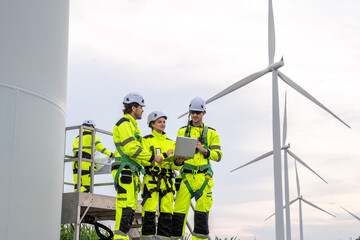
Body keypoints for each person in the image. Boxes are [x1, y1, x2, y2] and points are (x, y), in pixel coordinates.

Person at [111, 93, 163, 240]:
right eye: (141, 107)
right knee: (125, 206)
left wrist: (160, 158)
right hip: (125, 169)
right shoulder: (125, 124)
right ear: (133, 108)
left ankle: (122, 237)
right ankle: (120, 238)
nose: (142, 111)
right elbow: (131, 149)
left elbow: (137, 154)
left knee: (130, 207)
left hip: (131, 170)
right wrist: (153, 157)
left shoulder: (132, 126)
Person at [171, 97, 223, 240]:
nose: (195, 115)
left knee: (201, 219)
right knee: (178, 217)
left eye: (198, 113)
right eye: (193, 112)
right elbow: (176, 160)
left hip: (203, 178)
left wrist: (204, 150)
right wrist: (178, 160)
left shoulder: (212, 133)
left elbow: (218, 155)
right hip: (185, 177)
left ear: (203, 113)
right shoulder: (182, 131)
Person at [140, 111, 184, 240]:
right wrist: (163, 156)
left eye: (164, 122)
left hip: (167, 182)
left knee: (166, 213)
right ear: (152, 124)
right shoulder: (146, 140)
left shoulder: (170, 142)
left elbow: (174, 166)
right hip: (151, 180)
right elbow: (143, 160)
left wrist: (178, 162)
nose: (162, 124)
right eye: (159, 122)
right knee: (148, 211)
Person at [72, 119, 114, 192]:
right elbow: (100, 147)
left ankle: (72, 200)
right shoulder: (92, 135)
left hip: (75, 162)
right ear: (91, 126)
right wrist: (110, 154)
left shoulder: (77, 138)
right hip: (85, 162)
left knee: (77, 186)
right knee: (87, 186)